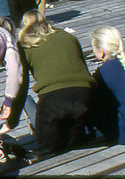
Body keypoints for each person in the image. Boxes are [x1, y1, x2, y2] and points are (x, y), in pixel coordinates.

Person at [15, 11, 94, 159]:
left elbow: (22, 83)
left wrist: (12, 120)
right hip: (84, 96)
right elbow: (83, 69)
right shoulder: (68, 36)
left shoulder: (24, 44)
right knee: (73, 139)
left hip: (52, 99)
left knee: (46, 150)